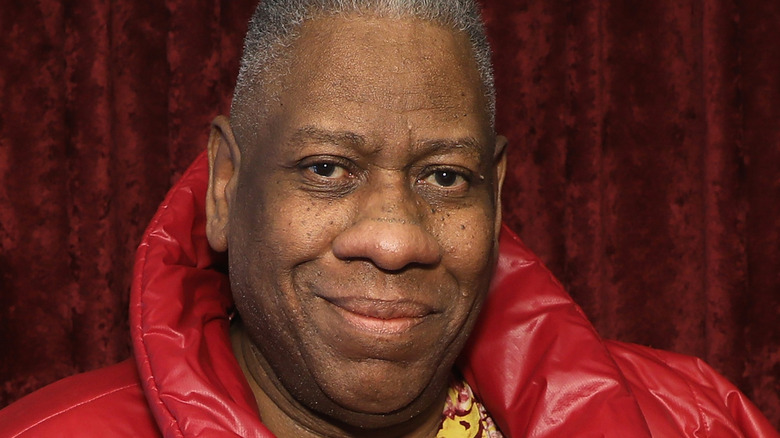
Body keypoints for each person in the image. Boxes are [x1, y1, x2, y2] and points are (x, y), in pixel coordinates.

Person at [0, 0, 777, 437]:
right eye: (327, 169)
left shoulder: (698, 422)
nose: (396, 239)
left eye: (444, 176)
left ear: (497, 191)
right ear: (226, 184)